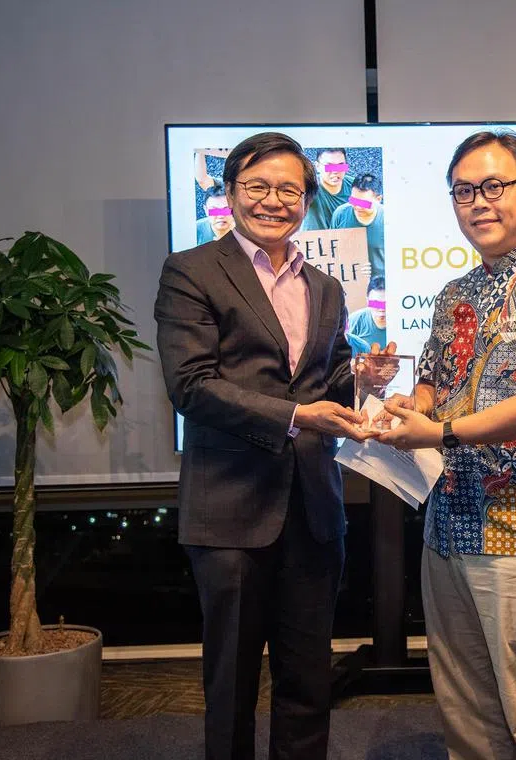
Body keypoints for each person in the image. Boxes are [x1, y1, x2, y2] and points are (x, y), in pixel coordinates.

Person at [376, 130, 516, 760]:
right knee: (467, 714)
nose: (479, 202)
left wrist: (442, 431)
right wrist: (410, 406)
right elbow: (432, 381)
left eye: (494, 186)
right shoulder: (453, 295)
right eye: (464, 191)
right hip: (448, 524)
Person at [154, 131, 374, 760]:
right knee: (232, 685)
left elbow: (323, 382)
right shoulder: (191, 271)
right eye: (258, 186)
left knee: (308, 681)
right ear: (229, 193)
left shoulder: (326, 287)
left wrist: (360, 379)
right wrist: (297, 413)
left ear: (307, 199)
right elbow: (191, 386)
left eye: (289, 189)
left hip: (314, 509)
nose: (274, 201)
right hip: (230, 510)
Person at [330, 172, 385, 277]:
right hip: (348, 282)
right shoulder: (340, 213)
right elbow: (331, 249)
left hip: (381, 287)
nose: (357, 207)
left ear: (378, 199)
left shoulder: (388, 219)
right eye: (354, 200)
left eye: (364, 203)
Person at [300, 147, 353, 231]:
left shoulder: (355, 187)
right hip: (312, 241)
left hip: (346, 241)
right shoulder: (308, 186)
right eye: (329, 166)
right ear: (317, 166)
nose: (335, 171)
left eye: (340, 166)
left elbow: (371, 208)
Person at [346, 275, 387, 351]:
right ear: (367, 301)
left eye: (386, 304)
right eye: (376, 304)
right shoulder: (355, 320)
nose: (382, 309)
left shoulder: (403, 321)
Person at [195, 179, 235, 244]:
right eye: (214, 210)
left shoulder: (247, 231)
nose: (221, 216)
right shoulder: (194, 231)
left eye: (225, 209)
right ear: (206, 210)